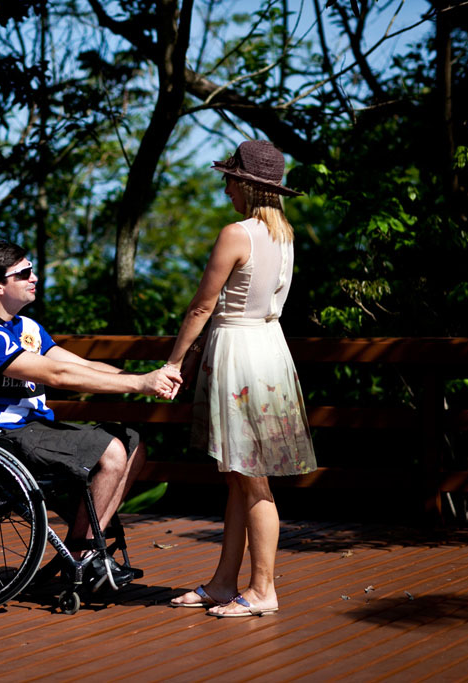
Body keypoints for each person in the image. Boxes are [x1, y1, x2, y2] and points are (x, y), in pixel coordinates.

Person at [0, 239, 182, 590]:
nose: (35, 277)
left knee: (132, 443)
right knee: (112, 451)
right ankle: (83, 555)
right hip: (0, 439)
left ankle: (84, 550)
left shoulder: (26, 328)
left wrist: (149, 381)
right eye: (24, 273)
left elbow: (79, 365)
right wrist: (139, 384)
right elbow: (56, 376)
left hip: (35, 429)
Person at [163, 140, 316, 617]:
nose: (225, 186)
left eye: (229, 178)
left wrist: (174, 362)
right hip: (269, 349)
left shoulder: (237, 232)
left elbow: (202, 306)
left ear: (247, 185)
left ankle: (263, 589)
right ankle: (224, 581)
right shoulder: (286, 235)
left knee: (252, 480)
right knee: (237, 475)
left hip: (241, 354)